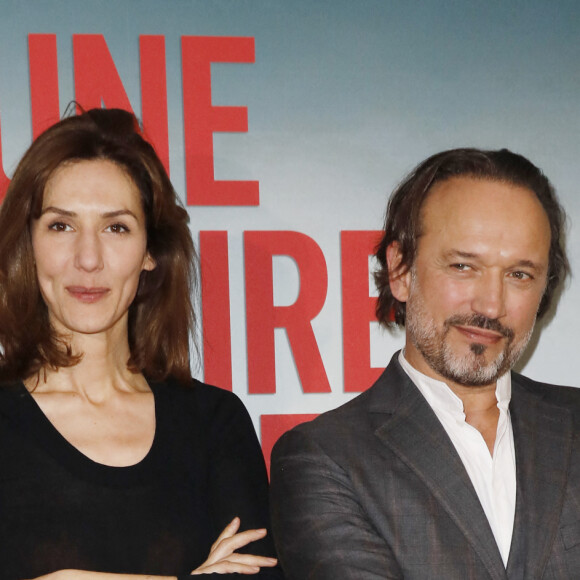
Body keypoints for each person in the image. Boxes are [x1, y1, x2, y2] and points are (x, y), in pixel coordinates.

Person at [270, 148, 580, 579]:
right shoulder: (325, 459)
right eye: (463, 266)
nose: (491, 305)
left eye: (519, 275)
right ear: (400, 270)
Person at [0, 107, 281, 579]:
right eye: (60, 226)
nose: (88, 259)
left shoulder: (214, 424)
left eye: (116, 227)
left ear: (151, 251)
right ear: (27, 245)